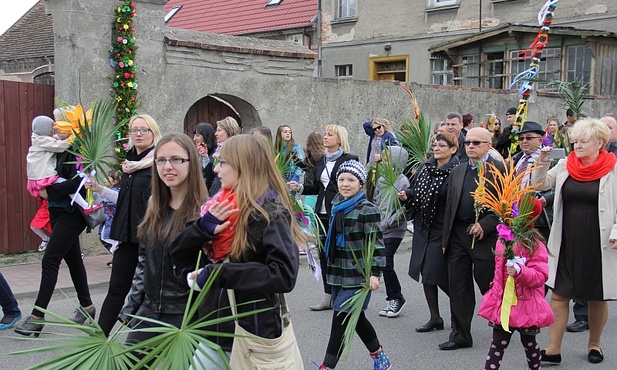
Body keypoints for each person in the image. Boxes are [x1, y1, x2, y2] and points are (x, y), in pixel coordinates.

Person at [170, 134, 305, 368]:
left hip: (252, 331)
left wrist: (219, 274)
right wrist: (203, 228)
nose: (216, 170)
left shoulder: (271, 213)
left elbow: (284, 275)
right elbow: (177, 252)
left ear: (243, 166)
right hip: (212, 330)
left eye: (223, 163)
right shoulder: (219, 206)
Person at [534, 118, 617, 365]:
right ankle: (553, 349)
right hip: (566, 239)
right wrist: (541, 162)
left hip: (598, 242)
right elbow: (539, 184)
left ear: (600, 143)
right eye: (575, 141)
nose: (577, 146)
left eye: (583, 141)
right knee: (559, 295)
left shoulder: (613, 170)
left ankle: (595, 345)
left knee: (596, 296)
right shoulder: (564, 165)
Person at [119, 133, 208, 348]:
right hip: (151, 311)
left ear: (191, 163)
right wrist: (131, 305)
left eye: (176, 159)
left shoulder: (205, 212)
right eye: (161, 160)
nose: (168, 167)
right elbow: (143, 260)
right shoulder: (154, 206)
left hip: (187, 316)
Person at [14, 119, 96, 336]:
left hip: (72, 214)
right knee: (74, 260)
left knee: (50, 260)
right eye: (55, 126)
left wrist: (49, 193)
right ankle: (88, 308)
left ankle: (37, 316)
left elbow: (80, 181)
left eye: (60, 126)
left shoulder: (77, 150)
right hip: (58, 211)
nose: (56, 130)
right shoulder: (53, 147)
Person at [91, 114, 162, 337]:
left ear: (153, 133)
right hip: (127, 235)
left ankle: (144, 343)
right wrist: (99, 189)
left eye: (144, 130)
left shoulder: (159, 162)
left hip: (150, 238)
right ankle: (98, 341)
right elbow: (124, 199)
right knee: (116, 289)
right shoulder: (129, 163)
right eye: (134, 130)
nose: (138, 134)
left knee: (149, 294)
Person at [317, 160, 391, 370]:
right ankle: (381, 358)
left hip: (358, 275)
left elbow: (376, 244)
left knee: (340, 319)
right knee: (355, 319)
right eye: (341, 179)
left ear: (361, 184)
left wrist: (375, 274)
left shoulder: (367, 209)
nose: (345, 184)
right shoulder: (337, 205)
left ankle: (326, 367)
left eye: (351, 180)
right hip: (338, 272)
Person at [438, 127, 505, 350]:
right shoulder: (458, 171)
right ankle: (460, 334)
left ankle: (503, 326)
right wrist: (445, 240)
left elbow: (505, 206)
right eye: (467, 143)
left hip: (485, 238)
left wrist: (485, 224)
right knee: (458, 287)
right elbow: (448, 206)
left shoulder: (499, 170)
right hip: (458, 235)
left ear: (489, 145)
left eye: (476, 143)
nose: (471, 146)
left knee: (489, 285)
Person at [287, 125, 359, 311]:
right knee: (324, 254)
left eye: (329, 134)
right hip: (322, 215)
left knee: (341, 253)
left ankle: (345, 294)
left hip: (342, 213)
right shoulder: (321, 160)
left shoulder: (349, 159)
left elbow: (353, 187)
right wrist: (301, 188)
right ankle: (328, 295)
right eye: (325, 134)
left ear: (339, 138)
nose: (325, 137)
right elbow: (318, 188)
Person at [478, 199, 554, 370]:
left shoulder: (534, 244)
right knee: (497, 344)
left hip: (525, 304)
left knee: (529, 343)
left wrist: (521, 272)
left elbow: (541, 276)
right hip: (503, 302)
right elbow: (499, 270)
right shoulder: (504, 238)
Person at [400, 132, 460, 332]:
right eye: (435, 145)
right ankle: (435, 317)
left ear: (453, 149)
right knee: (426, 273)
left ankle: (461, 310)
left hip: (442, 228)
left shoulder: (457, 171)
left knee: (438, 275)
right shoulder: (425, 167)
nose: (436, 149)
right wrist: (406, 194)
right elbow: (415, 190)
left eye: (442, 146)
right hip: (423, 226)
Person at [373, 146, 409, 318]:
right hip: (379, 227)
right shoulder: (381, 180)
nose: (383, 161)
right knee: (382, 263)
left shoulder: (403, 181)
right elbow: (375, 201)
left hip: (394, 229)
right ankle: (392, 299)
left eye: (387, 158)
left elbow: (405, 208)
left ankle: (396, 298)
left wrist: (388, 221)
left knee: (386, 262)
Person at [212, 116, 241, 196]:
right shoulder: (218, 149)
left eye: (219, 130)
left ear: (229, 131)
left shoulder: (235, 150)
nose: (216, 133)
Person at [98, 170, 121, 267]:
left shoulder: (115, 192)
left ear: (115, 181)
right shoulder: (106, 191)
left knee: (107, 238)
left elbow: (108, 200)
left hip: (112, 221)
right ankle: (116, 257)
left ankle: (117, 257)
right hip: (106, 221)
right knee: (103, 237)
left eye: (108, 177)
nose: (105, 179)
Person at [300, 131, 325, 212]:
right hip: (318, 190)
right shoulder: (324, 155)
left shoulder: (315, 156)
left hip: (311, 190)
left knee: (307, 214)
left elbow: (308, 169)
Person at [193, 122, 218, 194]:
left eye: (197, 135)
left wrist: (205, 157)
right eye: (194, 135)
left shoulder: (216, 154)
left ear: (206, 136)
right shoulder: (196, 152)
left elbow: (209, 175)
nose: (194, 139)